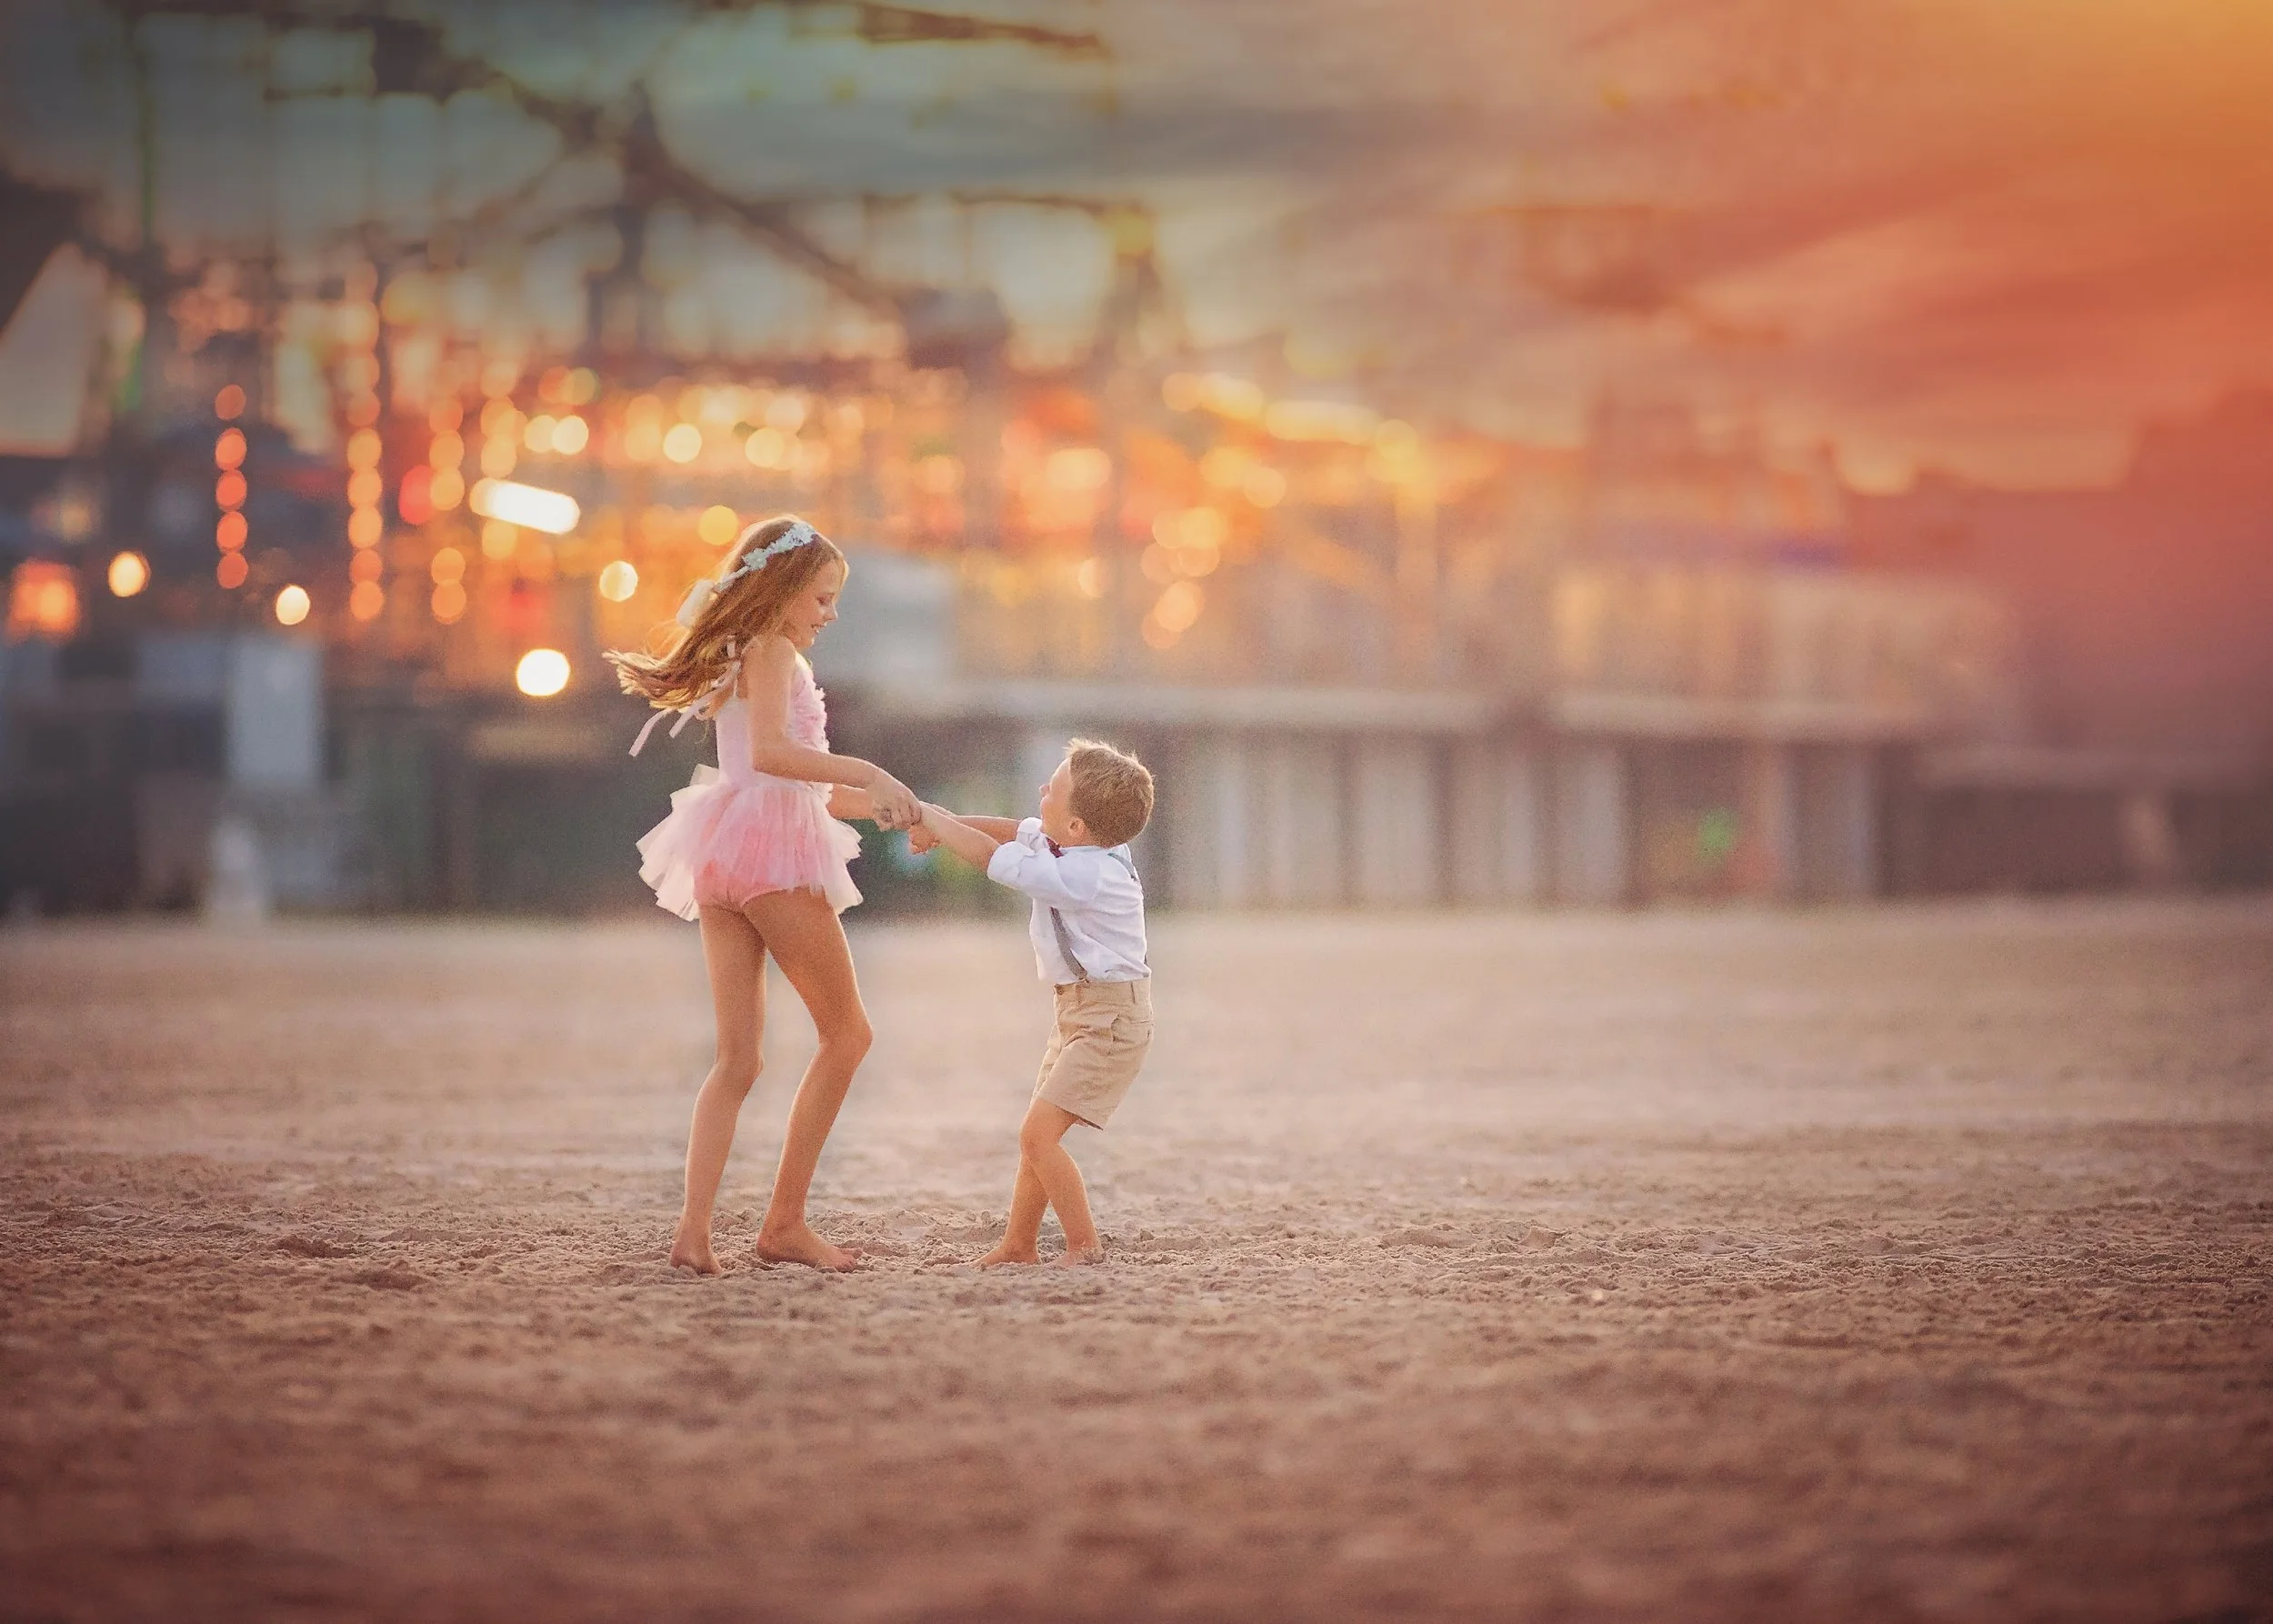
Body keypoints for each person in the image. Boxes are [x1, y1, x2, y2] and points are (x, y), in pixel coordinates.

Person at [607, 515, 919, 1275]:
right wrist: (868, 772)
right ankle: (783, 1224)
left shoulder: (741, 655)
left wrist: (894, 807)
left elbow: (775, 773)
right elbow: (780, 753)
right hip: (772, 857)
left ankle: (693, 1233)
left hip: (724, 855)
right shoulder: (773, 651)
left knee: (738, 1059)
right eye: (821, 598)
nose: (830, 614)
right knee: (847, 1037)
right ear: (781, 592)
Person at [909, 739, 1156, 1267]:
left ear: (1077, 828)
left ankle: (1084, 1248)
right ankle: (1019, 1245)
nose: (1042, 790)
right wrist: (943, 822)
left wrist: (932, 816)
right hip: (1076, 1012)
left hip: (1110, 1019)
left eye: (1054, 789)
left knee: (1038, 1137)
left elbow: (989, 856)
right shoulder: (1075, 845)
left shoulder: (1085, 875)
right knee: (1035, 1137)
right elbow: (1009, 829)